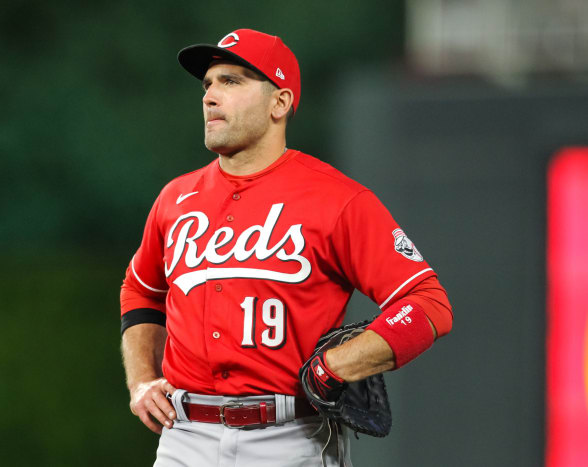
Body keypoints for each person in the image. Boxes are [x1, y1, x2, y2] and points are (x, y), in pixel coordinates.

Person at [119, 29, 453, 467]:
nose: (211, 96)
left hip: (292, 438)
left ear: (280, 103)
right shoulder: (176, 199)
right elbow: (141, 290)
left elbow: (428, 304)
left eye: (232, 81)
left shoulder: (337, 200)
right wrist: (142, 380)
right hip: (186, 439)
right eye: (208, 84)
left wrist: (338, 365)